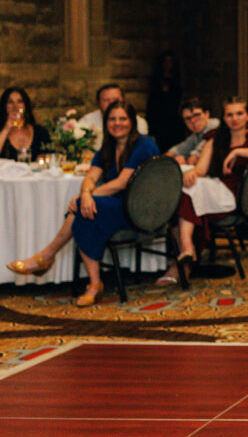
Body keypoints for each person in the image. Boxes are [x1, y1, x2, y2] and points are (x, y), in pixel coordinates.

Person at [6, 102, 159, 305]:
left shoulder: (144, 144)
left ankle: (46, 256)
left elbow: (122, 183)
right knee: (84, 215)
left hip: (141, 209)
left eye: (123, 118)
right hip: (117, 206)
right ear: (106, 122)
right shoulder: (107, 147)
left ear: (132, 121)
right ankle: (94, 285)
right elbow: (90, 177)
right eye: (112, 119)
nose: (117, 123)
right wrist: (86, 192)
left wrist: (85, 197)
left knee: (82, 208)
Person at [158, 97, 248, 284]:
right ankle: (186, 250)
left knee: (187, 199)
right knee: (185, 192)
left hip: (232, 197)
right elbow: (202, 169)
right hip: (213, 190)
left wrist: (237, 152)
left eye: (239, 113)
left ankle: (183, 258)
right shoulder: (215, 137)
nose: (234, 118)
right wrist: (193, 173)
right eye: (229, 114)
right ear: (223, 117)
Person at [78, 83, 149, 149]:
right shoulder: (86, 121)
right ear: (98, 103)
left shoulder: (139, 122)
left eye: (116, 99)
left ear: (123, 100)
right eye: (106, 100)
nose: (111, 103)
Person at [146, 50, 185, 152]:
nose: (168, 64)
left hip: (173, 122)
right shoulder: (156, 81)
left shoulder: (177, 81)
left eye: (170, 61)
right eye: (165, 61)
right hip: (157, 120)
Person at [0, 86, 50, 161]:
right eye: (10, 102)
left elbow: (51, 157)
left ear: (25, 106)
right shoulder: (1, 131)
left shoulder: (40, 132)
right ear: (5, 107)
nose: (15, 107)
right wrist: (7, 128)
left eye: (19, 101)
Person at [166, 98, 219, 166]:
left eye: (196, 115)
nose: (193, 121)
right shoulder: (195, 135)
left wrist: (187, 159)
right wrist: (175, 158)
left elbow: (194, 159)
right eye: (188, 118)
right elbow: (173, 152)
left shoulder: (217, 127)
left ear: (207, 114)